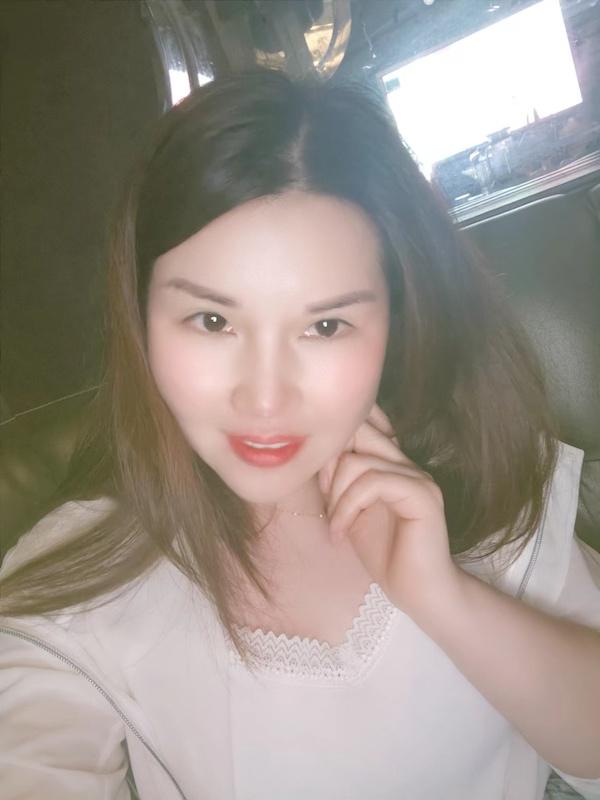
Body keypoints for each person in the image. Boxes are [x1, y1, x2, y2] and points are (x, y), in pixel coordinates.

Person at [0, 68, 599, 800]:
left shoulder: (475, 470)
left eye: (326, 326)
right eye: (213, 321)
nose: (265, 397)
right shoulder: (82, 574)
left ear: (394, 318)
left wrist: (445, 599)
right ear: (141, 313)